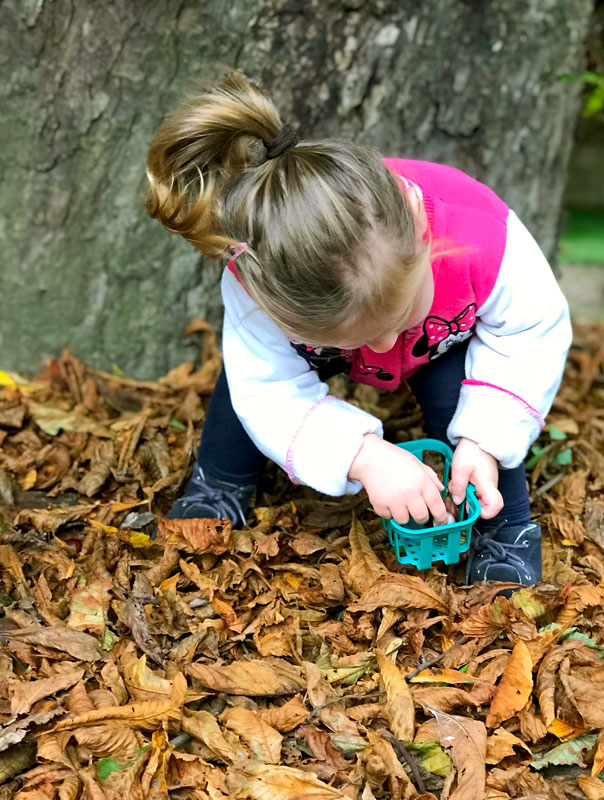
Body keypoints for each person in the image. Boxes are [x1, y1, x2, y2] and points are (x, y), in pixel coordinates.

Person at [145, 70, 571, 586]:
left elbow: (528, 332)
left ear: (419, 225)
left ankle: (502, 530)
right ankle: (221, 481)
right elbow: (269, 389)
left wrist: (486, 437)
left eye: (398, 317)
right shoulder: (259, 283)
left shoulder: (484, 238)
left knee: (461, 396)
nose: (384, 349)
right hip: (324, 343)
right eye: (361, 337)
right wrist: (362, 455)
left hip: (441, 340)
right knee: (239, 386)